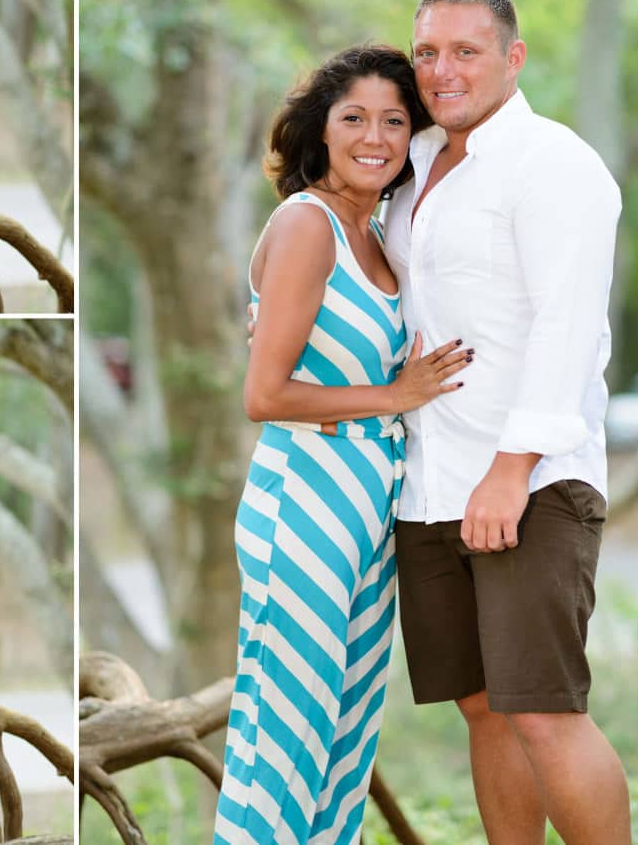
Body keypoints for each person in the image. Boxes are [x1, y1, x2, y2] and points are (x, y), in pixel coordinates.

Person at [383, 0, 629, 845]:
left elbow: (569, 328)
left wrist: (511, 469)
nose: (441, 70)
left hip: (528, 483)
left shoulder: (553, 165)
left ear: (513, 58)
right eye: (427, 52)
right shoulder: (410, 171)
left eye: (465, 51)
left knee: (542, 711)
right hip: (429, 485)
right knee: (483, 708)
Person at [214, 45, 472, 845]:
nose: (375, 135)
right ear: (319, 133)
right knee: (285, 735)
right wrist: (394, 396)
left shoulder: (381, 238)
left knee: (346, 739)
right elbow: (264, 395)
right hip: (305, 501)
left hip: (369, 506)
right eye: (353, 118)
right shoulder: (306, 224)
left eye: (394, 120)